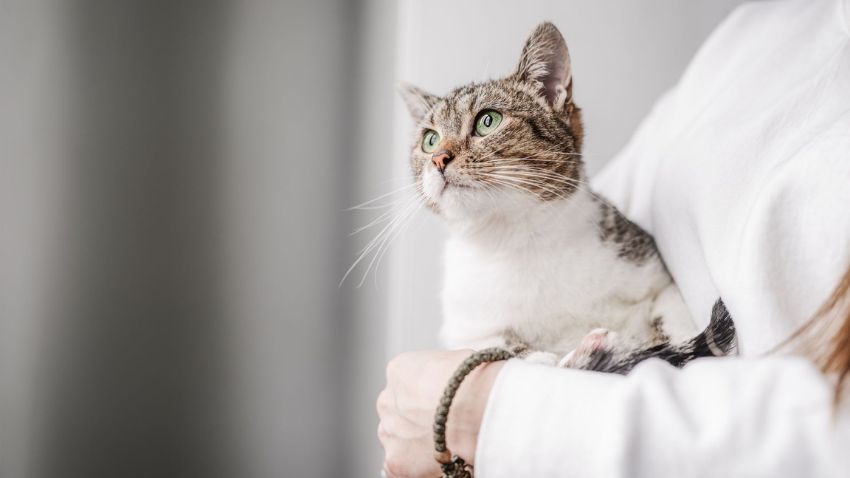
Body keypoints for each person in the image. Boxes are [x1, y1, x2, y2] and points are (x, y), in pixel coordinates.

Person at [377, 0, 850, 476]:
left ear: (551, 96)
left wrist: (492, 413)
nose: (444, 154)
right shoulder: (763, 27)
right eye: (431, 139)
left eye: (485, 122)